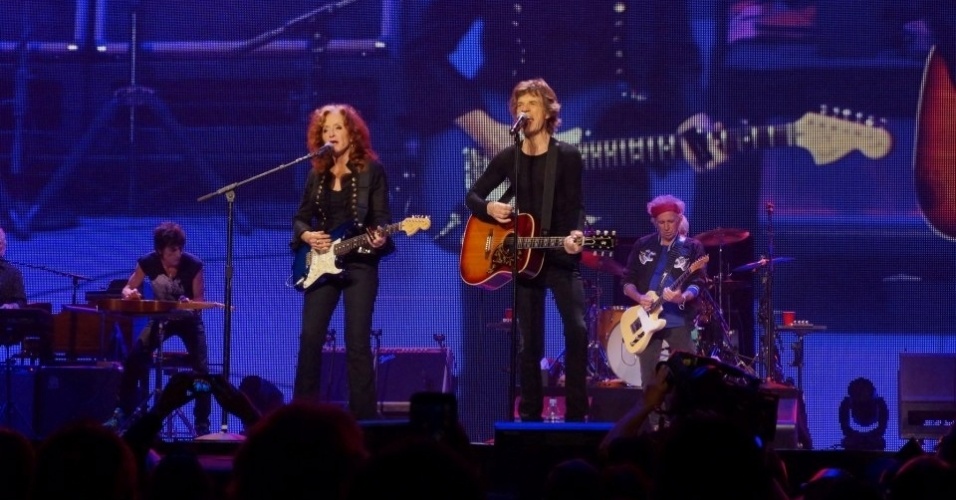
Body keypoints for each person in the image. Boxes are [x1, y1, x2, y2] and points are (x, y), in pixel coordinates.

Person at [464, 78, 589, 422]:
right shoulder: (510, 157)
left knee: (577, 329)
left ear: (549, 110)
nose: (525, 109)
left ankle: (577, 415)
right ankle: (530, 416)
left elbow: (577, 205)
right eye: (520, 103)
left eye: (532, 103)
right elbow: (472, 197)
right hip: (523, 258)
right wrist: (491, 209)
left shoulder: (567, 155)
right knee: (528, 344)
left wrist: (576, 233)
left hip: (560, 255)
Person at [291, 103, 393, 419]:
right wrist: (308, 237)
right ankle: (302, 418)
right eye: (325, 129)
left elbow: (381, 219)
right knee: (310, 339)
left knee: (357, 343)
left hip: (360, 264)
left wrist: (381, 236)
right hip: (321, 263)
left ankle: (364, 422)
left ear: (352, 132)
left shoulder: (371, 172)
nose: (331, 134)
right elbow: (300, 219)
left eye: (337, 127)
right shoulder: (315, 174)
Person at [106, 221, 212, 436]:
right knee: (134, 358)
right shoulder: (148, 262)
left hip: (188, 321)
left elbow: (200, 300)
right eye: (173, 249)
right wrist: (129, 293)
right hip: (161, 319)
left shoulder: (193, 265)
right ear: (160, 251)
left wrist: (189, 303)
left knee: (202, 370)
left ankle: (202, 424)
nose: (179, 253)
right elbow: (129, 286)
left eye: (181, 248)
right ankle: (121, 412)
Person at [620, 195, 706, 416]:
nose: (667, 227)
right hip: (646, 320)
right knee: (649, 380)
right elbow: (627, 281)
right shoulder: (643, 244)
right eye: (662, 222)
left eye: (671, 221)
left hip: (677, 320)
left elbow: (699, 283)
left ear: (679, 220)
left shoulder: (693, 248)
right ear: (654, 222)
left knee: (690, 374)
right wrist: (639, 297)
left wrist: (683, 296)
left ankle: (685, 423)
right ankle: (652, 429)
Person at [0, 226, 27, 309]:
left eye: (2, 242)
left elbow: (21, 302)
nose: (1, 245)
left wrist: (11, 306)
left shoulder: (13, 273)